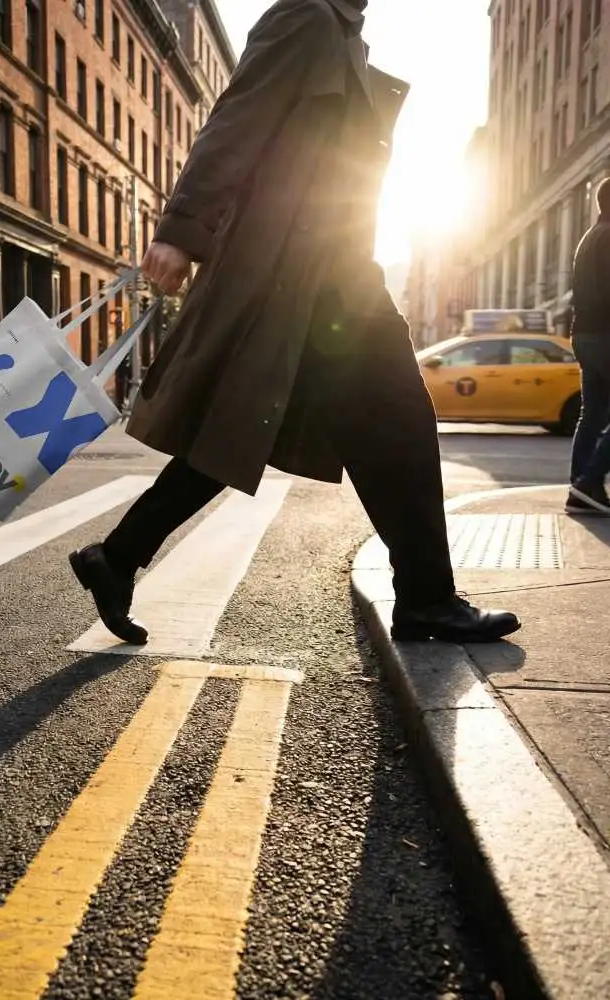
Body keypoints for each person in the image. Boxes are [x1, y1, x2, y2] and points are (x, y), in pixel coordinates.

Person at [69, 0, 520, 646]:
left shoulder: (340, 32)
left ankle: (116, 558)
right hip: (309, 277)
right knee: (397, 421)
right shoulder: (307, 16)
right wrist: (181, 229)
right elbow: (237, 118)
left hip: (329, 274)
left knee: (245, 427)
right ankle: (427, 598)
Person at [567, 178, 610, 515]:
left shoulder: (590, 236)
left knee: (592, 414)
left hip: (584, 334)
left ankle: (580, 489)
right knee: (592, 413)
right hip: (604, 333)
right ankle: (588, 482)